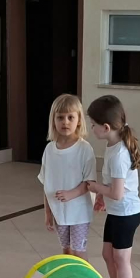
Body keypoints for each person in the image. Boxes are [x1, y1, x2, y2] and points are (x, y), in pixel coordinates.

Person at [86, 95, 140, 278]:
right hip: (116, 212)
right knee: (107, 254)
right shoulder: (112, 146)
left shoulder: (119, 155)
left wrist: (95, 188)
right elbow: (111, 183)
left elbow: (118, 193)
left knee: (121, 258)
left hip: (127, 213)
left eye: (94, 125)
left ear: (106, 127)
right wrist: (102, 196)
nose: (92, 129)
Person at [38, 93, 96, 256]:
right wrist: (48, 213)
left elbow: (89, 182)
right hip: (59, 212)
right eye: (60, 117)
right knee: (66, 251)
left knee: (78, 253)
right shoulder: (49, 150)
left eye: (70, 117)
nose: (65, 122)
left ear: (79, 120)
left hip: (79, 212)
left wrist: (72, 194)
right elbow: (46, 184)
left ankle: (83, 274)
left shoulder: (84, 149)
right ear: (53, 120)